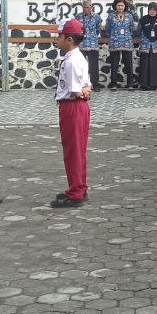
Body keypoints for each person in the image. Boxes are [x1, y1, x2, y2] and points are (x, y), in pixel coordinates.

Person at [50, 18, 93, 208]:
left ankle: (76, 192)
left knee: (72, 151)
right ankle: (79, 187)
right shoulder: (78, 57)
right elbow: (86, 87)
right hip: (78, 105)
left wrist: (83, 92)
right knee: (78, 149)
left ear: (69, 40)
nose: (56, 40)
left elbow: (77, 91)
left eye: (59, 36)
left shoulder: (71, 61)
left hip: (72, 106)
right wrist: (85, 91)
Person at [104, 0, 137, 89]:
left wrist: (126, 36)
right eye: (118, 5)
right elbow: (108, 28)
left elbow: (131, 28)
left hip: (127, 42)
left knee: (129, 64)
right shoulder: (111, 16)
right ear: (115, 6)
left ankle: (130, 84)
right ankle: (114, 83)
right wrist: (115, 35)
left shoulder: (129, 16)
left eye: (122, 5)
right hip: (115, 43)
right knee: (114, 64)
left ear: (125, 6)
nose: (120, 7)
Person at [136, 2, 157, 90]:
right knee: (145, 65)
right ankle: (144, 85)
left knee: (156, 66)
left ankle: (155, 85)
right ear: (148, 10)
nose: (152, 11)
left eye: (154, 10)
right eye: (150, 10)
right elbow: (139, 31)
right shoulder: (143, 19)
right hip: (145, 47)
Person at [78, 0, 104, 91]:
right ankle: (81, 84)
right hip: (82, 44)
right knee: (80, 66)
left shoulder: (97, 17)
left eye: (87, 7)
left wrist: (94, 37)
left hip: (93, 44)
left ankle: (95, 84)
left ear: (91, 7)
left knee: (94, 66)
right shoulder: (79, 17)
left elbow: (98, 30)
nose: (86, 9)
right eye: (84, 7)